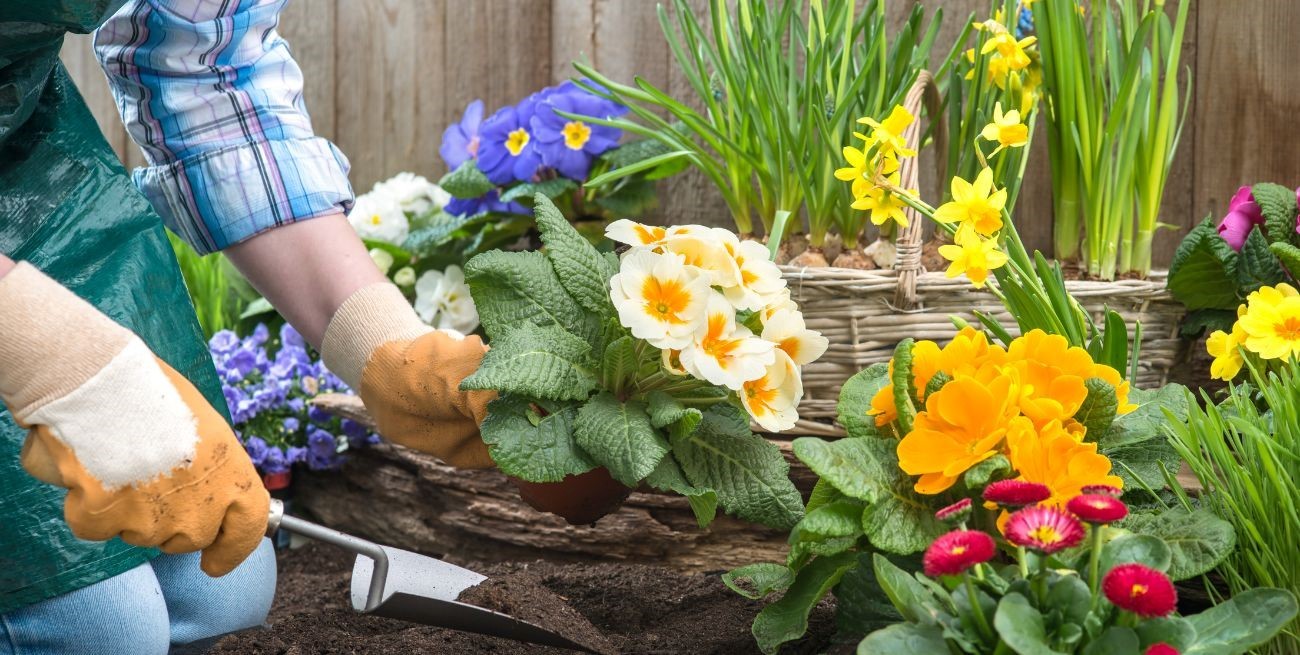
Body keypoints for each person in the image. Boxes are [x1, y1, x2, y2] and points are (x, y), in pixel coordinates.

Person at [0, 1, 494, 652]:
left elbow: (203, 65)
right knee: (97, 629)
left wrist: (381, 345)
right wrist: (50, 353)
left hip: (27, 161)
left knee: (221, 587)